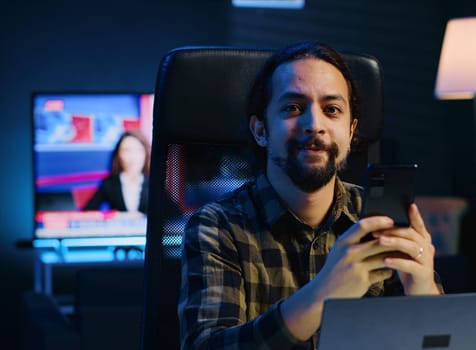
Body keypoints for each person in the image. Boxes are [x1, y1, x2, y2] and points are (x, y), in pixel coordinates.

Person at [178, 41, 442, 350]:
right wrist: (325, 292)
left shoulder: (376, 220)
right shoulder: (217, 226)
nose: (314, 125)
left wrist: (423, 292)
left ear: (352, 131)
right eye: (293, 108)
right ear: (261, 130)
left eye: (332, 110)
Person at [84, 130, 150, 213]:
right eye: (126, 150)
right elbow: (88, 211)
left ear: (146, 154)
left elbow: (168, 213)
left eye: (138, 150)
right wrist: (115, 216)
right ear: (118, 155)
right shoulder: (109, 183)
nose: (132, 156)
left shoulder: (155, 183)